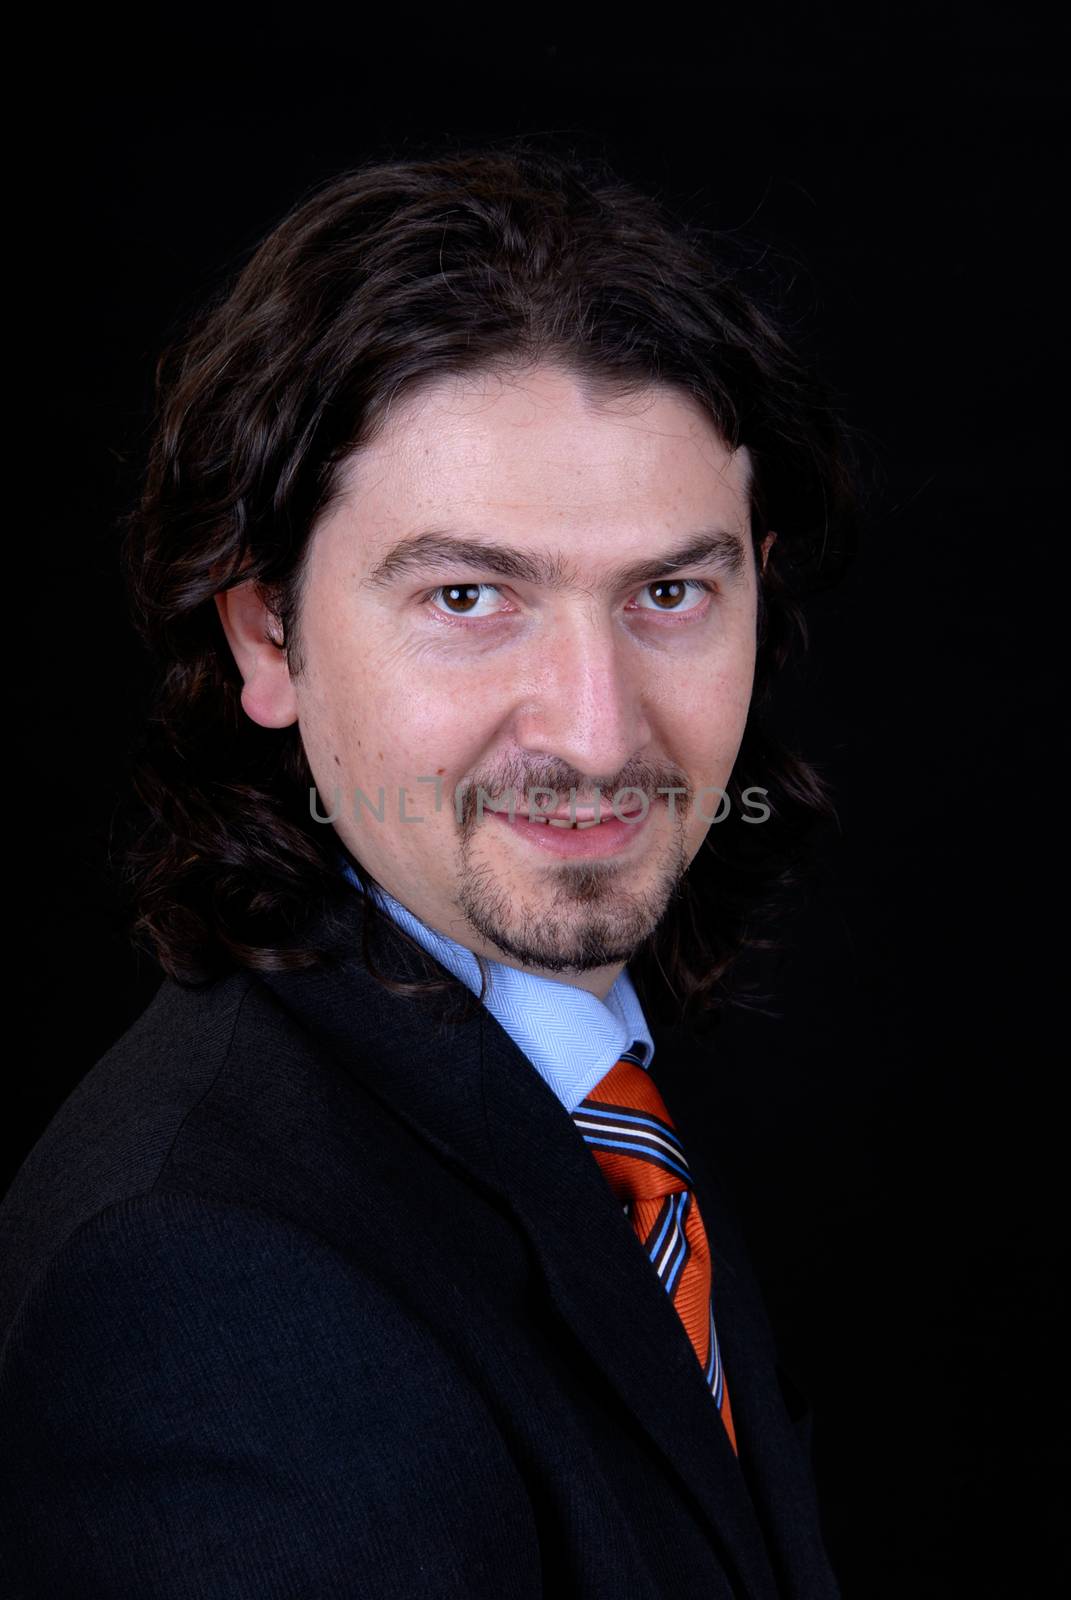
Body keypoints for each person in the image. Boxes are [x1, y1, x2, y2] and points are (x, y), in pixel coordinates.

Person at [0, 140, 858, 1597]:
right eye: (470, 596)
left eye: (669, 592)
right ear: (267, 635)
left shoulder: (577, 1100)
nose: (595, 732)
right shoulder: (204, 1292)